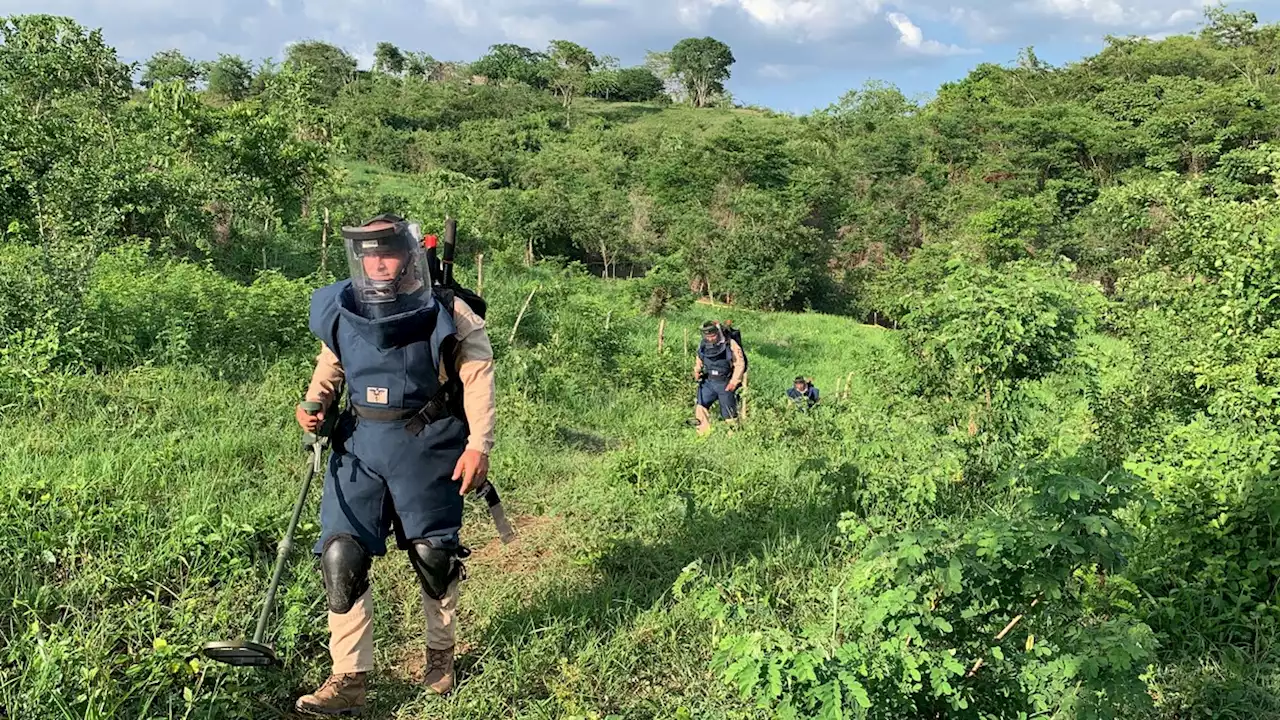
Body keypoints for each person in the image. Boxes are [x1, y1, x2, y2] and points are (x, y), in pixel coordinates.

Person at [293, 213, 496, 715]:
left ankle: (440, 656)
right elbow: (330, 364)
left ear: (408, 255)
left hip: (427, 443)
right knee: (341, 556)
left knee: (434, 556)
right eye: (370, 253)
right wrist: (313, 404)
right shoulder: (345, 308)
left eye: (388, 251)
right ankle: (349, 679)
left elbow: (478, 378)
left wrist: (480, 445)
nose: (379, 261)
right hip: (359, 443)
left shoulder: (448, 309)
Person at [693, 320, 745, 435]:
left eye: (713, 336)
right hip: (709, 381)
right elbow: (699, 357)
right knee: (701, 405)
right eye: (708, 336)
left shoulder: (730, 343)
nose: (710, 339)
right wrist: (697, 370)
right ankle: (702, 434)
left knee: (729, 413)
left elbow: (740, 363)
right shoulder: (703, 344)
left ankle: (733, 437)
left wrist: (734, 382)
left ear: (717, 333)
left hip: (725, 382)